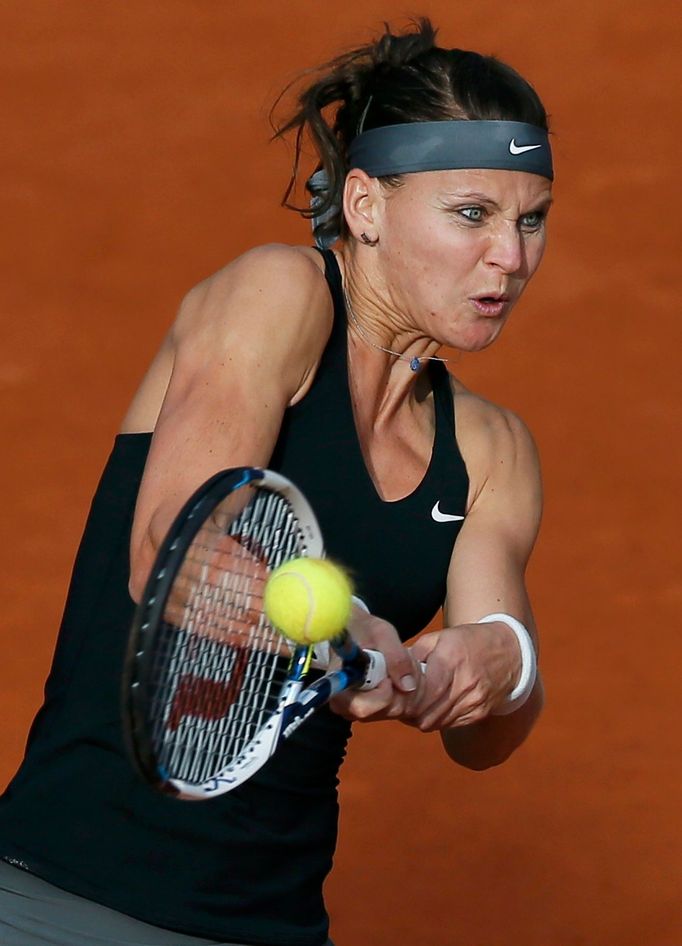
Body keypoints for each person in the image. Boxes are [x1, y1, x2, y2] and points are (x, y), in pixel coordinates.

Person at [0, 17, 552, 946]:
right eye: (472, 214)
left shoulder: (494, 452)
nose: (511, 256)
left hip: (273, 924)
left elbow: (485, 737)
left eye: (530, 219)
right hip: (62, 898)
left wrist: (496, 664)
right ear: (367, 207)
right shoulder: (279, 294)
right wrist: (344, 625)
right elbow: (172, 549)